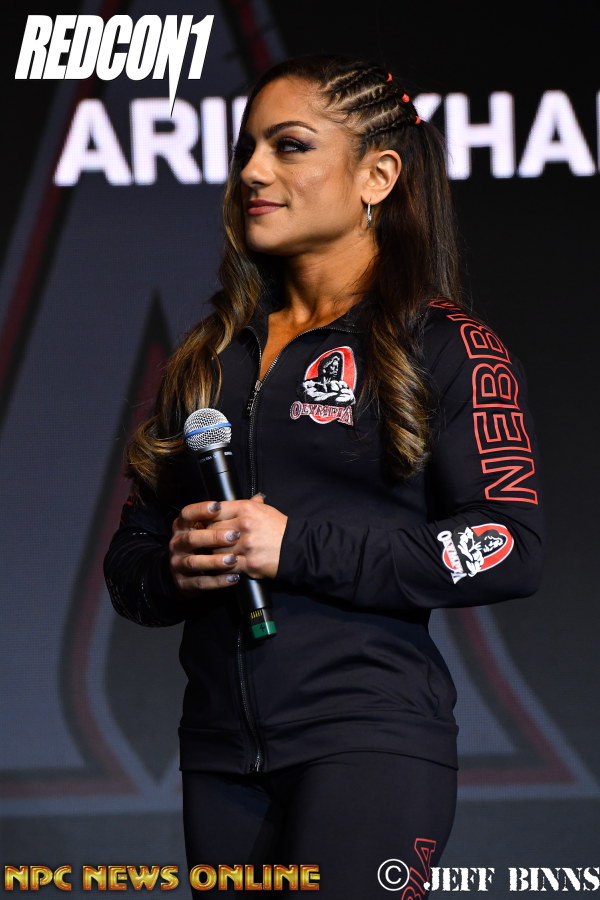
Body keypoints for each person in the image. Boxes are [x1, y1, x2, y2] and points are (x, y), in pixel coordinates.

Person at [104, 55, 544, 898]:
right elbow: (132, 563)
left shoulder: (445, 346)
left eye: (290, 146)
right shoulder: (207, 357)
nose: (252, 172)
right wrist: (175, 568)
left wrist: (295, 548)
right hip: (219, 757)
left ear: (377, 175)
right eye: (247, 149)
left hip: (369, 744)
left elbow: (508, 546)